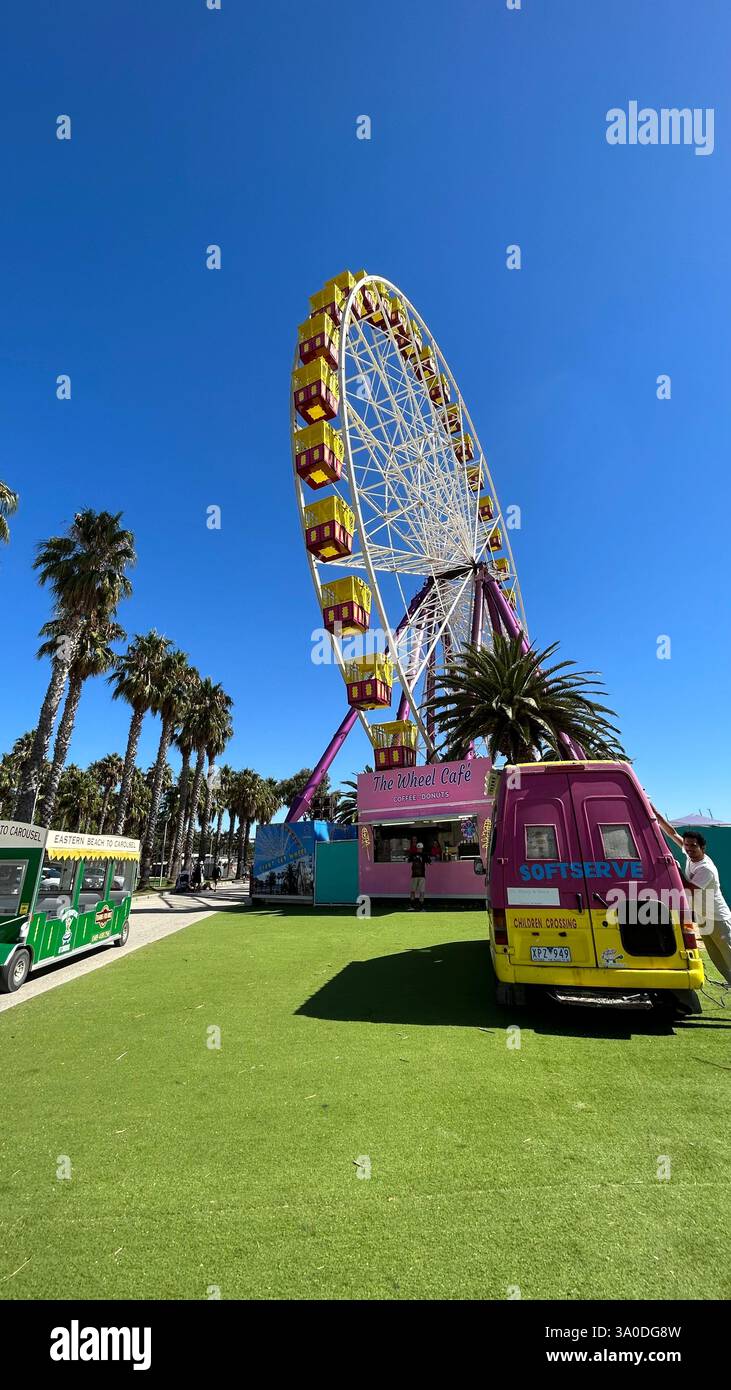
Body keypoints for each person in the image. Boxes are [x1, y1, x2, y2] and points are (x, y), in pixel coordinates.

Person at [654, 809, 731, 988]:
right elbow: (672, 832)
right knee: (716, 956)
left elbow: (688, 888)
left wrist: (675, 867)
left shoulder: (706, 869)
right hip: (704, 918)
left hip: (718, 918)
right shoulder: (690, 854)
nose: (688, 849)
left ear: (702, 847)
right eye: (687, 845)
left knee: (728, 953)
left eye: (693, 846)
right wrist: (655, 812)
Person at [408, 841, 427, 911]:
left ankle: (416, 906)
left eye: (420, 848)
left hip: (417, 875)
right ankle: (418, 907)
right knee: (418, 891)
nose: (419, 849)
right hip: (419, 875)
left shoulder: (414, 855)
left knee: (418, 891)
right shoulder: (423, 855)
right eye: (419, 848)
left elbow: (408, 860)